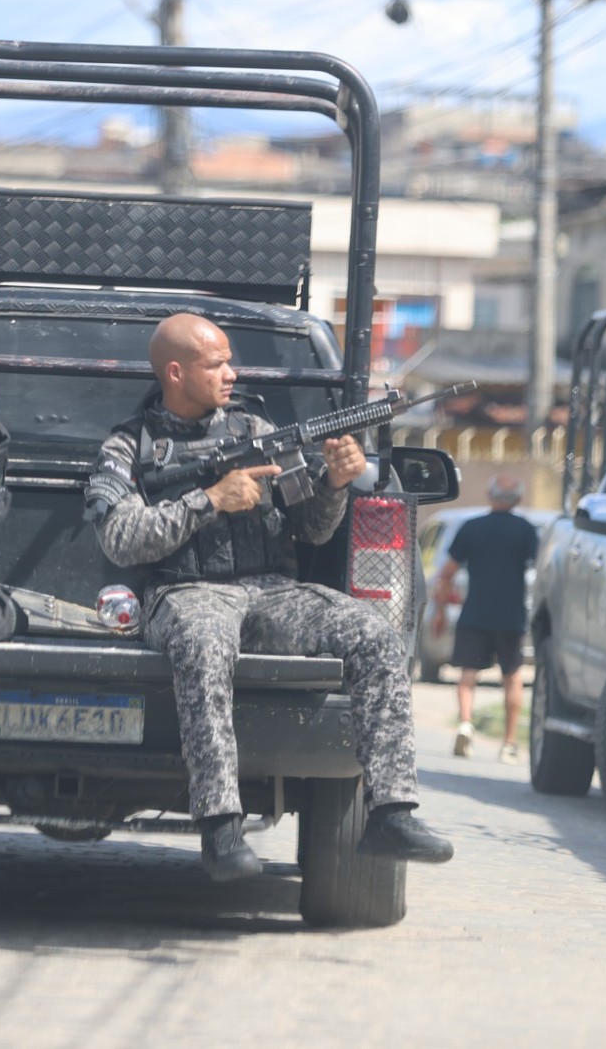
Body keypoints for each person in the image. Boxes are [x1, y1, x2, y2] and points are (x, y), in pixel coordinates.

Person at [85, 312, 453, 882]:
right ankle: (221, 827)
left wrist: (334, 482)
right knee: (203, 643)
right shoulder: (129, 446)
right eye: (216, 365)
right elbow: (120, 538)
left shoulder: (254, 430)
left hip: (269, 590)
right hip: (186, 591)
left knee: (373, 634)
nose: (231, 374)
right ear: (176, 373)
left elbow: (312, 531)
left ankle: (391, 811)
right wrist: (209, 501)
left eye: (230, 362)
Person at [432, 475, 539, 763]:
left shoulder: (472, 527)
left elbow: (446, 574)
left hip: (475, 612)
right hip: (511, 616)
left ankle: (465, 724)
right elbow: (540, 568)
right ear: (518, 499)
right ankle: (508, 743)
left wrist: (440, 611)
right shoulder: (526, 530)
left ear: (490, 496)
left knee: (468, 674)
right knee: (512, 677)